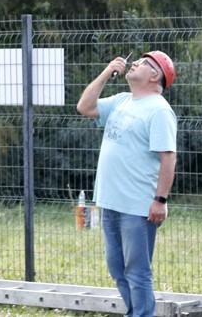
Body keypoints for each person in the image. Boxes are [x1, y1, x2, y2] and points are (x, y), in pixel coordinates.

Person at [76, 51, 177, 317]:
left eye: (144, 63)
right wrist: (107, 72)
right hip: (109, 202)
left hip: (138, 207)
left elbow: (168, 157)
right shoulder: (122, 101)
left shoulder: (159, 110)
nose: (135, 63)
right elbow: (84, 107)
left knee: (137, 271)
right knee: (117, 268)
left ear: (155, 75)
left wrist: (160, 200)